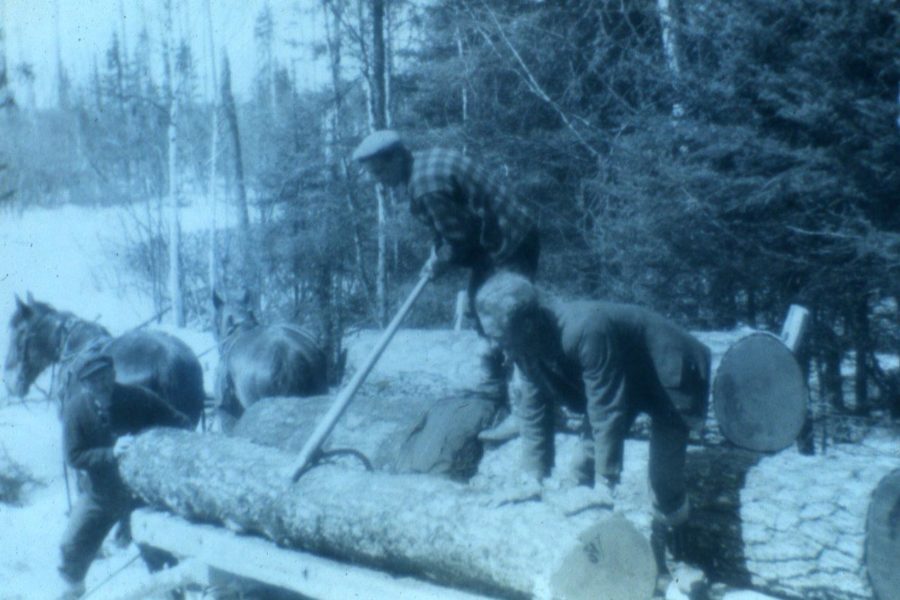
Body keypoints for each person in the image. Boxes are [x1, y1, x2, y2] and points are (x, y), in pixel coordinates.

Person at [475, 271, 712, 597]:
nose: (493, 344)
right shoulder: (523, 346)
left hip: (670, 371)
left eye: (499, 336)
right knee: (577, 474)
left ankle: (684, 560)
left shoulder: (584, 328)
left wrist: (606, 483)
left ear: (527, 325)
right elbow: (532, 410)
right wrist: (531, 478)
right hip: (625, 375)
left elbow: (606, 409)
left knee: (663, 479)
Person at [352, 130, 539, 439]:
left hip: (508, 241)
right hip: (498, 237)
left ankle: (527, 413)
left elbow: (460, 239)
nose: (377, 180)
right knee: (483, 315)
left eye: (380, 171)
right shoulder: (423, 163)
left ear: (397, 158)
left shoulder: (426, 187)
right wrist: (437, 252)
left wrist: (438, 263)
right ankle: (494, 390)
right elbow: (455, 222)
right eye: (372, 174)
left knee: (509, 322)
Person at [57, 351, 192, 599]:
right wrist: (111, 453)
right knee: (71, 546)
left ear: (114, 374)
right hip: (101, 495)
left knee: (160, 552)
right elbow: (73, 456)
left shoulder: (137, 397)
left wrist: (157, 442)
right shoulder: (75, 410)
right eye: (94, 381)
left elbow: (179, 422)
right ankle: (73, 592)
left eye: (106, 377)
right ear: (84, 384)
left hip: (140, 496)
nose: (102, 384)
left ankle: (174, 594)